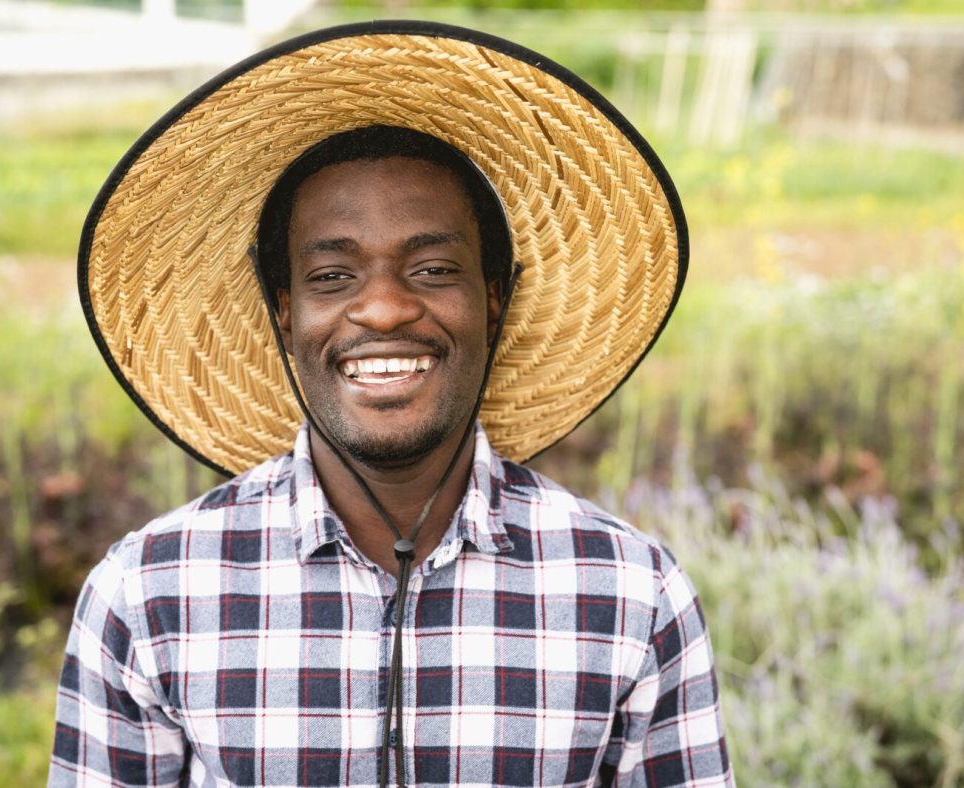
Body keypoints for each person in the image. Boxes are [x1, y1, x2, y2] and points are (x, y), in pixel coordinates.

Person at [51, 21, 733, 788]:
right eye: (333, 277)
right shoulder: (150, 591)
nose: (381, 309)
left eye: (434, 268)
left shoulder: (629, 589)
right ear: (283, 313)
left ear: (494, 302)